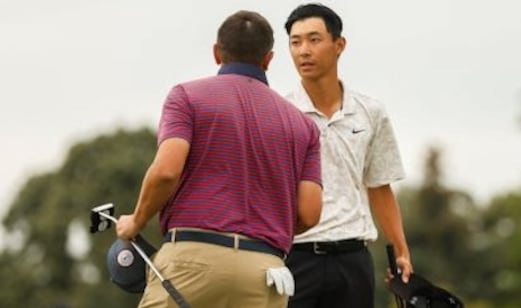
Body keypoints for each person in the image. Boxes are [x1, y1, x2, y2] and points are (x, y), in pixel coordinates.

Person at [115, 10, 323, 308]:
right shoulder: (303, 125)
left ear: (216, 52)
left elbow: (165, 173)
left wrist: (135, 222)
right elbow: (309, 214)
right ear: (268, 59)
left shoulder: (186, 97)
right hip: (266, 272)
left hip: (192, 262)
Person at [283, 4, 414, 308]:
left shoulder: (371, 112)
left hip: (352, 258)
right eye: (296, 42)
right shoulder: (279, 112)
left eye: (314, 40)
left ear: (339, 45)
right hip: (295, 256)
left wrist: (402, 251)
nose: (304, 50)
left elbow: (379, 186)